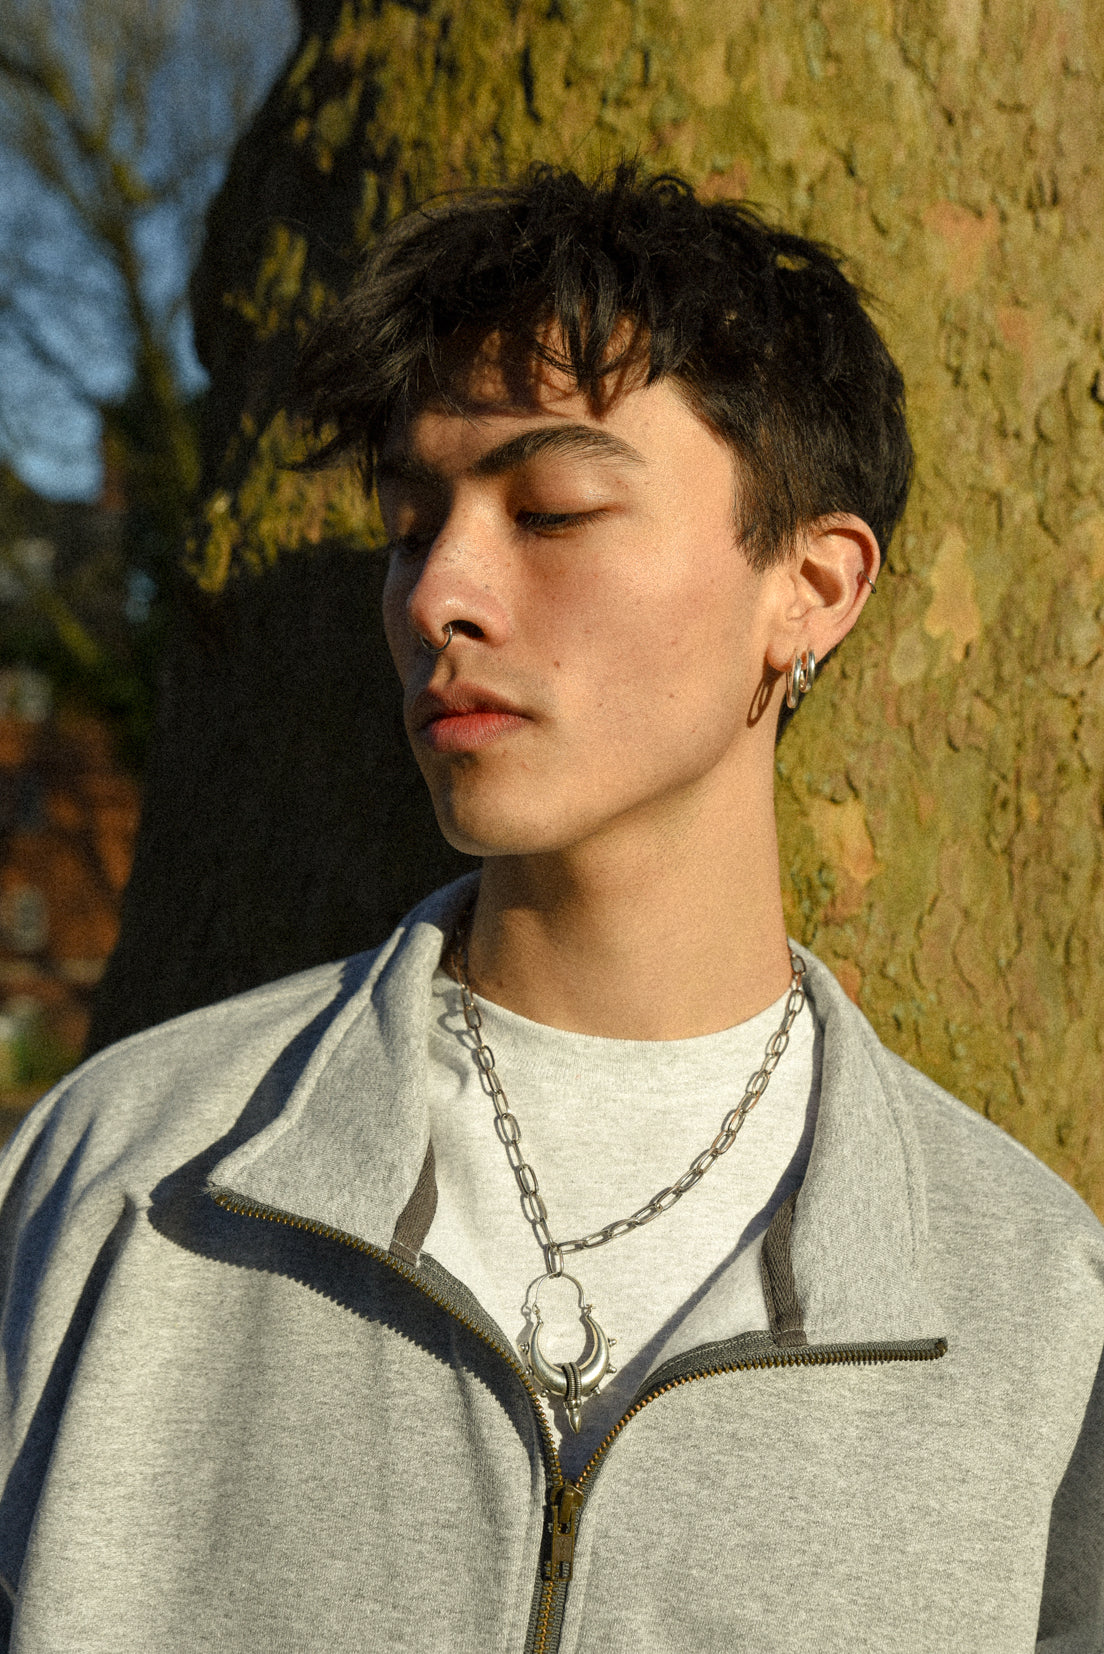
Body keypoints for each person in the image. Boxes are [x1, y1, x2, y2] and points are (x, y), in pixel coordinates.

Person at [0, 162, 1100, 1654]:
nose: (437, 594)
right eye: (411, 525)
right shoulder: (121, 1187)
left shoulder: (1034, 1307)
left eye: (554, 508)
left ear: (813, 586)